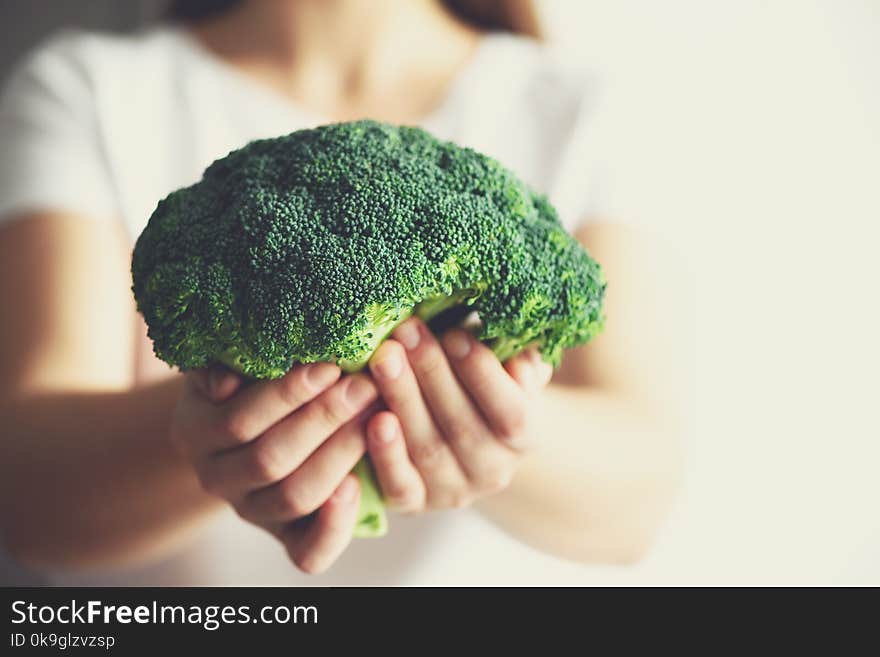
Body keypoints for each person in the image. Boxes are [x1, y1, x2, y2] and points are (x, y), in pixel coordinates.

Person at [0, 0, 681, 585]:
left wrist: (501, 432)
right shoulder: (84, 90)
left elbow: (640, 493)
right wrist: (206, 435)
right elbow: (24, 486)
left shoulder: (582, 108)